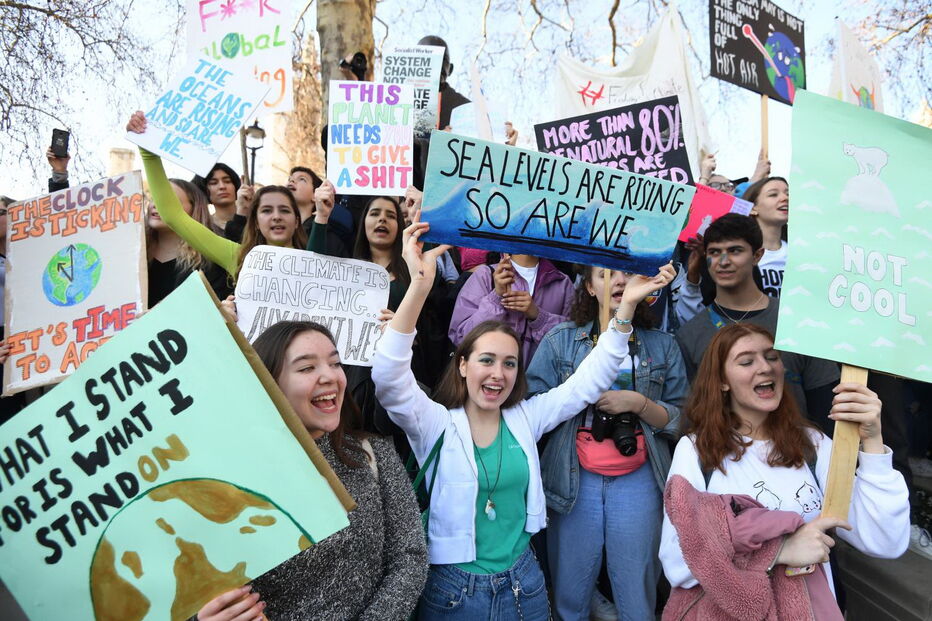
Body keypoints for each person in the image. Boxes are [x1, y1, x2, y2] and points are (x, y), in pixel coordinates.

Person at [372, 211, 675, 620]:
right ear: (462, 365)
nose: (498, 374)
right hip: (455, 592)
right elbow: (390, 378)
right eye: (486, 360)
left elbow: (588, 380)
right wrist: (419, 288)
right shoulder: (435, 423)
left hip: (525, 585)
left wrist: (626, 311)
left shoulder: (525, 418)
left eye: (510, 363)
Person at [659, 323, 909, 619]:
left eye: (772, 357)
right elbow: (678, 562)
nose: (765, 367)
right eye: (747, 361)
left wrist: (873, 442)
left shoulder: (813, 445)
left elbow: (885, 541)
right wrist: (778, 551)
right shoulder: (697, 451)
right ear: (722, 381)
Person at [194, 321, 428, 621]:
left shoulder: (374, 454)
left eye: (335, 363)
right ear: (268, 383)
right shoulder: (229, 483)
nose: (330, 376)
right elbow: (199, 587)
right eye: (307, 368)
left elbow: (409, 556)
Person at [526, 265, 688, 620]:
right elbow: (532, 412)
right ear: (588, 288)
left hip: (640, 477)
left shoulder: (664, 346)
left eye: (627, 274)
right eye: (604, 274)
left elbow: (683, 420)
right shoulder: (559, 340)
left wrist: (640, 405)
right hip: (573, 479)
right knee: (570, 593)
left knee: (637, 594)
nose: (618, 280)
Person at [675, 214, 838, 418]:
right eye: (715, 252)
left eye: (735, 251)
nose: (723, 261)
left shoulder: (798, 320)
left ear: (757, 255)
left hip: (801, 446)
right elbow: (693, 413)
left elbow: (824, 403)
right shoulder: (690, 335)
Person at [127, 111, 307, 285]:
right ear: (256, 223)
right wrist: (148, 152)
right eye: (266, 211)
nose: (276, 216)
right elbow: (174, 216)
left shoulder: (317, 264)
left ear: (297, 221)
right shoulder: (238, 257)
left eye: (284, 210)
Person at [450, 253, 573, 363]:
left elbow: (571, 345)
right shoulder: (485, 275)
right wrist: (495, 298)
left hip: (541, 386)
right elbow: (461, 337)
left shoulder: (562, 282)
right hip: (490, 381)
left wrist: (538, 317)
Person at [146, 179, 216, 306]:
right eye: (153, 198)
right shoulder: (132, 253)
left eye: (169, 200)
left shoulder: (209, 262)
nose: (156, 204)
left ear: (193, 210)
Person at [744, 176, 789, 297]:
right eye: (773, 195)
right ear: (753, 208)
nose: (785, 198)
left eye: (788, 193)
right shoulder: (741, 255)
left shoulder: (801, 251)